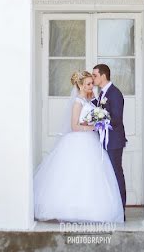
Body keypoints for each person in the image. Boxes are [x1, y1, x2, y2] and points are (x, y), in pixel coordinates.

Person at [33, 70, 124, 223]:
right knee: (76, 175)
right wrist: (94, 128)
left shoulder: (92, 98)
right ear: (80, 85)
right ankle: (72, 209)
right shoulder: (77, 102)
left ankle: (93, 210)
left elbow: (97, 114)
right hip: (79, 141)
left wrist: (98, 121)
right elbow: (74, 126)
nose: (91, 86)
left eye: (91, 83)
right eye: (88, 84)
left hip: (92, 142)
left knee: (93, 176)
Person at [92, 63, 127, 210]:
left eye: (95, 75)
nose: (93, 79)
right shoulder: (102, 94)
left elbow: (117, 119)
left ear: (103, 76)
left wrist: (100, 119)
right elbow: (96, 107)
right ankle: (111, 207)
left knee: (116, 173)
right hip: (104, 140)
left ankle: (121, 209)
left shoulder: (115, 93)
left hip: (114, 141)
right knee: (107, 175)